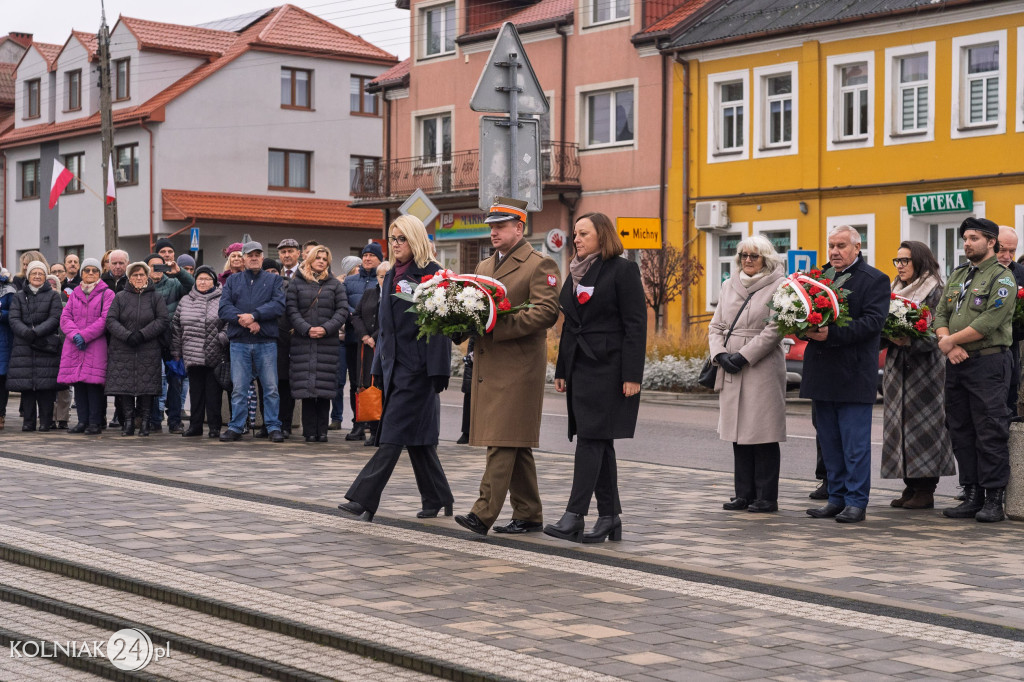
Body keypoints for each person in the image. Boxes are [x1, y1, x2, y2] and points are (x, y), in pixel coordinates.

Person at [454, 197, 561, 536]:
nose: (494, 232)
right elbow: (476, 309)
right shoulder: (485, 267)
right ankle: (529, 513)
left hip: (518, 368)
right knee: (513, 441)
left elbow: (545, 312)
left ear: (519, 227)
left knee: (501, 439)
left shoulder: (539, 264)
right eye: (491, 226)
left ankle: (482, 513)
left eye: (500, 226)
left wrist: (496, 328)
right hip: (491, 365)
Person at [338, 215, 454, 522]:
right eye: (393, 238)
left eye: (402, 238)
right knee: (419, 439)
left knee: (392, 434)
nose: (396, 244)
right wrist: (378, 366)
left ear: (415, 239)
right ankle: (438, 497)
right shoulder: (390, 275)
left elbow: (441, 326)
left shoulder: (433, 274)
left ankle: (363, 498)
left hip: (420, 369)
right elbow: (385, 328)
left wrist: (439, 370)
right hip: (394, 366)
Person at [545, 213, 646, 543]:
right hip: (580, 367)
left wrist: (632, 374)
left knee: (591, 439)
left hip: (609, 368)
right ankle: (609, 518)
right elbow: (570, 325)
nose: (576, 239)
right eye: (575, 234)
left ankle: (574, 515)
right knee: (598, 441)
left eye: (583, 233)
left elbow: (635, 326)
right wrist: (562, 369)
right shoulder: (575, 272)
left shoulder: (622, 269)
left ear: (602, 236)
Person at [803, 225, 890, 524]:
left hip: (853, 373)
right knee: (829, 444)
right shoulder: (818, 279)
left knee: (854, 445)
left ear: (857, 247)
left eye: (841, 245)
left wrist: (830, 334)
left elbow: (872, 324)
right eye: (831, 245)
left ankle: (856, 502)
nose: (834, 251)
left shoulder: (875, 279)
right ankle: (836, 498)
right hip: (822, 373)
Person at [935, 217, 1015, 523]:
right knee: (960, 427)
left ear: (991, 242)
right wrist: (948, 344)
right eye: (965, 238)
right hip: (957, 362)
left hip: (988, 362)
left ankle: (994, 497)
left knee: (990, 429)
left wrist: (949, 341)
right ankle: (971, 494)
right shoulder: (958, 276)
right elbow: (941, 312)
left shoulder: (1001, 278)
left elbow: (989, 322)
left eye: (973, 238)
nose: (967, 243)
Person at [706, 234, 787, 515]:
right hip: (730, 365)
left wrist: (744, 356)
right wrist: (720, 355)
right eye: (743, 255)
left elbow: (775, 329)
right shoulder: (730, 284)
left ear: (766, 259)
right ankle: (744, 493)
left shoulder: (780, 286)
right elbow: (715, 325)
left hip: (760, 367)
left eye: (754, 256)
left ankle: (766, 497)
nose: (748, 260)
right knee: (738, 433)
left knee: (762, 433)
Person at [881, 242, 957, 509]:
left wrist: (911, 341)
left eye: (905, 260)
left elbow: (940, 329)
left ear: (921, 261)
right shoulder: (893, 290)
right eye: (897, 260)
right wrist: (886, 336)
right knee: (899, 428)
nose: (900, 266)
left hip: (926, 372)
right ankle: (910, 486)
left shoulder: (936, 290)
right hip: (896, 370)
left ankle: (926, 489)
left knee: (925, 429)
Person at [218, 241, 286, 443]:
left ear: (262, 258)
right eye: (250, 255)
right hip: (239, 342)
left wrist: (256, 316)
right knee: (239, 387)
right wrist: (246, 321)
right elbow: (224, 309)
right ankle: (236, 426)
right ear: (243, 258)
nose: (254, 257)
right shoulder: (233, 281)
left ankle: (273, 426)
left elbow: (278, 306)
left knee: (271, 387)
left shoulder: (274, 280)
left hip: (266, 341)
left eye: (257, 254)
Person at [287, 245, 349, 442]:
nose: (321, 261)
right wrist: (306, 328)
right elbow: (291, 310)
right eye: (318, 258)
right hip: (302, 341)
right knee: (306, 389)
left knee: (324, 388)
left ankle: (322, 431)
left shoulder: (335, 285)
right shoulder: (296, 283)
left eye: (325, 258)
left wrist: (326, 328)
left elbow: (342, 310)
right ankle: (309, 432)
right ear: (310, 260)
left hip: (327, 342)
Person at [105, 262, 170, 436]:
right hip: (123, 348)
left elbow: (162, 320)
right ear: (129, 277)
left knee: (146, 387)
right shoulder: (120, 297)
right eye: (135, 275)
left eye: (142, 275)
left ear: (147, 276)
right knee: (125, 386)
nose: (139, 278)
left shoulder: (155, 297)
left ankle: (145, 422)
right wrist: (127, 335)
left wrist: (142, 334)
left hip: (148, 348)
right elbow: (111, 320)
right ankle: (128, 422)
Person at [58, 259, 114, 434]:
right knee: (79, 383)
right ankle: (82, 421)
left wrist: (84, 335)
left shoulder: (107, 293)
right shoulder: (75, 293)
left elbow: (105, 320)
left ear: (99, 273)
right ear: (82, 273)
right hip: (74, 344)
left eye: (94, 270)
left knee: (94, 384)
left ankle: (95, 422)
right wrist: (75, 334)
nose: (90, 273)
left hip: (95, 344)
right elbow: (65, 317)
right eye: (87, 270)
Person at [171, 265, 227, 438]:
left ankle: (214, 427)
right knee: (195, 393)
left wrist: (222, 338)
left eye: (207, 279)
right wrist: (176, 351)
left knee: (213, 393)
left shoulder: (223, 298)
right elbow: (176, 326)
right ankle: (195, 426)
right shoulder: (186, 300)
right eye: (200, 278)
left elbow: (229, 321)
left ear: (214, 281)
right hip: (192, 353)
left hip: (215, 352)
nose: (203, 282)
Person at [8, 261, 62, 431]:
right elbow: (13, 319)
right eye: (34, 273)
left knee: (46, 387)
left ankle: (46, 422)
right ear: (28, 276)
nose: (37, 276)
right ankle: (28, 422)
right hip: (23, 346)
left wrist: (37, 332)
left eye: (40, 273)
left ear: (46, 276)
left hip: (44, 345)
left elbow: (55, 318)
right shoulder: (18, 296)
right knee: (27, 388)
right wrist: (26, 333)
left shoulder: (53, 296)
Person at [342, 242, 384, 441]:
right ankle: (358, 423)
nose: (367, 259)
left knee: (376, 382)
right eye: (365, 256)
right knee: (357, 383)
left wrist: (373, 336)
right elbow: (343, 304)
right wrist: (357, 325)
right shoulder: (350, 282)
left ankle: (375, 424)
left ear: (379, 259)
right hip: (355, 339)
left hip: (377, 342)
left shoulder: (384, 280)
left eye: (372, 256)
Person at [146, 253, 187, 433]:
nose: (156, 270)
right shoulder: (143, 286)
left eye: (160, 266)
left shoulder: (173, 283)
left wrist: (179, 272)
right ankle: (154, 420)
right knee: (152, 381)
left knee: (175, 381)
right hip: (150, 340)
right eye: (153, 266)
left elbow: (191, 287)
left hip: (172, 339)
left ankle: (175, 421)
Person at [350, 260, 388, 445]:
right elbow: (355, 315)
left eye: (387, 276)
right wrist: (365, 335)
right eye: (381, 276)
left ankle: (384, 431)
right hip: (366, 346)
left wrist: (374, 336)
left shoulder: (395, 296)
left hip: (383, 347)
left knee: (383, 387)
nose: (383, 280)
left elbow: (388, 320)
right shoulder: (369, 293)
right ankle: (372, 430)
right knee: (367, 385)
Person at [329, 254, 362, 430]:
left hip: (354, 338)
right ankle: (336, 417)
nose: (360, 269)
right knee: (338, 381)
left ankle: (359, 418)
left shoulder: (363, 284)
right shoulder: (341, 286)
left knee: (357, 382)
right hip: (340, 339)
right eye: (356, 267)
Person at [996, 226, 1024, 420]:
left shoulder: (1021, 273)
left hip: (1011, 354)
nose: (1007, 256)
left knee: (1009, 412)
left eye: (1012, 251)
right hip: (978, 358)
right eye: (1002, 250)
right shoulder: (974, 272)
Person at [101, 248, 130, 429]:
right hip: (103, 337)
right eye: (114, 263)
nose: (118, 266)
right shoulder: (101, 282)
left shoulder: (132, 281)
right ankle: (100, 416)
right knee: (101, 379)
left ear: (127, 264)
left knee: (122, 379)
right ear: (108, 264)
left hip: (125, 338)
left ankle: (121, 415)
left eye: (121, 263)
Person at [0, 269, 16, 430]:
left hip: (3, 342)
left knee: (0, 381)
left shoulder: (8, 291)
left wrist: (0, 314)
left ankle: (0, 414)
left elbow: (14, 314)